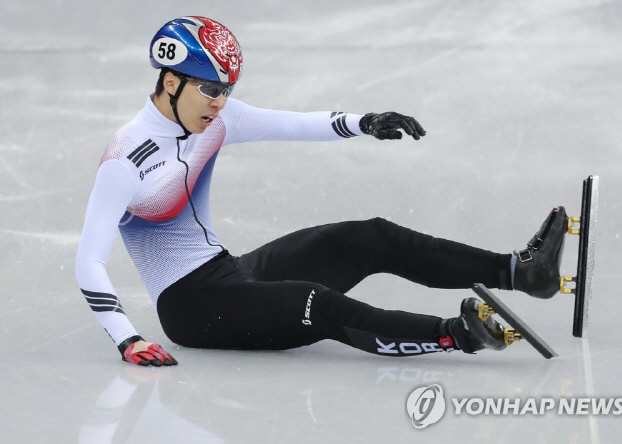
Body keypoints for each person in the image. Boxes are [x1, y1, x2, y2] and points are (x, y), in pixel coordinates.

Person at [76, 16, 567, 367]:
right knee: (318, 303)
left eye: (227, 88)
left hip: (229, 272)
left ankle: (521, 273)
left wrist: (363, 123)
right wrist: (128, 339)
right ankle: (455, 335)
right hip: (191, 309)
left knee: (364, 236)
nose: (220, 102)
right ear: (170, 80)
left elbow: (291, 123)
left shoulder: (215, 120)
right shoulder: (125, 158)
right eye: (210, 89)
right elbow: (89, 261)